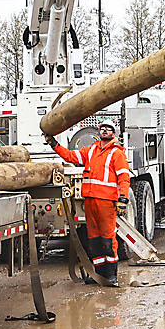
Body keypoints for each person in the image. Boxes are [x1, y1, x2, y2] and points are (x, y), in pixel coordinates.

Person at [48, 120, 131, 287]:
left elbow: (123, 178)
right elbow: (70, 156)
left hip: (106, 202)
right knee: (93, 240)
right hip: (90, 201)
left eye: (108, 129)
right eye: (102, 128)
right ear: (98, 131)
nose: (105, 131)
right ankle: (98, 274)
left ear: (113, 133)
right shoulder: (91, 150)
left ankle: (111, 275)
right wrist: (54, 144)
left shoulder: (117, 153)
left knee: (108, 240)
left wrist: (123, 199)